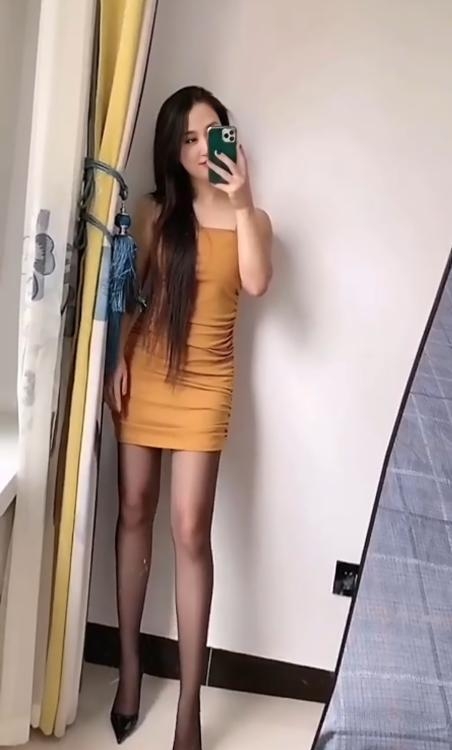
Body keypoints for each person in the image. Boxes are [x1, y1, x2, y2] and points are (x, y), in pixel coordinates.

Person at [104, 85, 273, 749]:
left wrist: (242, 200)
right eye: (189, 139)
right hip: (147, 374)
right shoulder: (155, 212)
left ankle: (190, 707)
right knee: (133, 512)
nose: (203, 149)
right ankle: (129, 670)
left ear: (231, 137)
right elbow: (135, 296)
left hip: (206, 387)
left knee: (190, 529)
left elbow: (257, 283)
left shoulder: (253, 218)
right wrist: (117, 360)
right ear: (172, 150)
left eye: (213, 134)